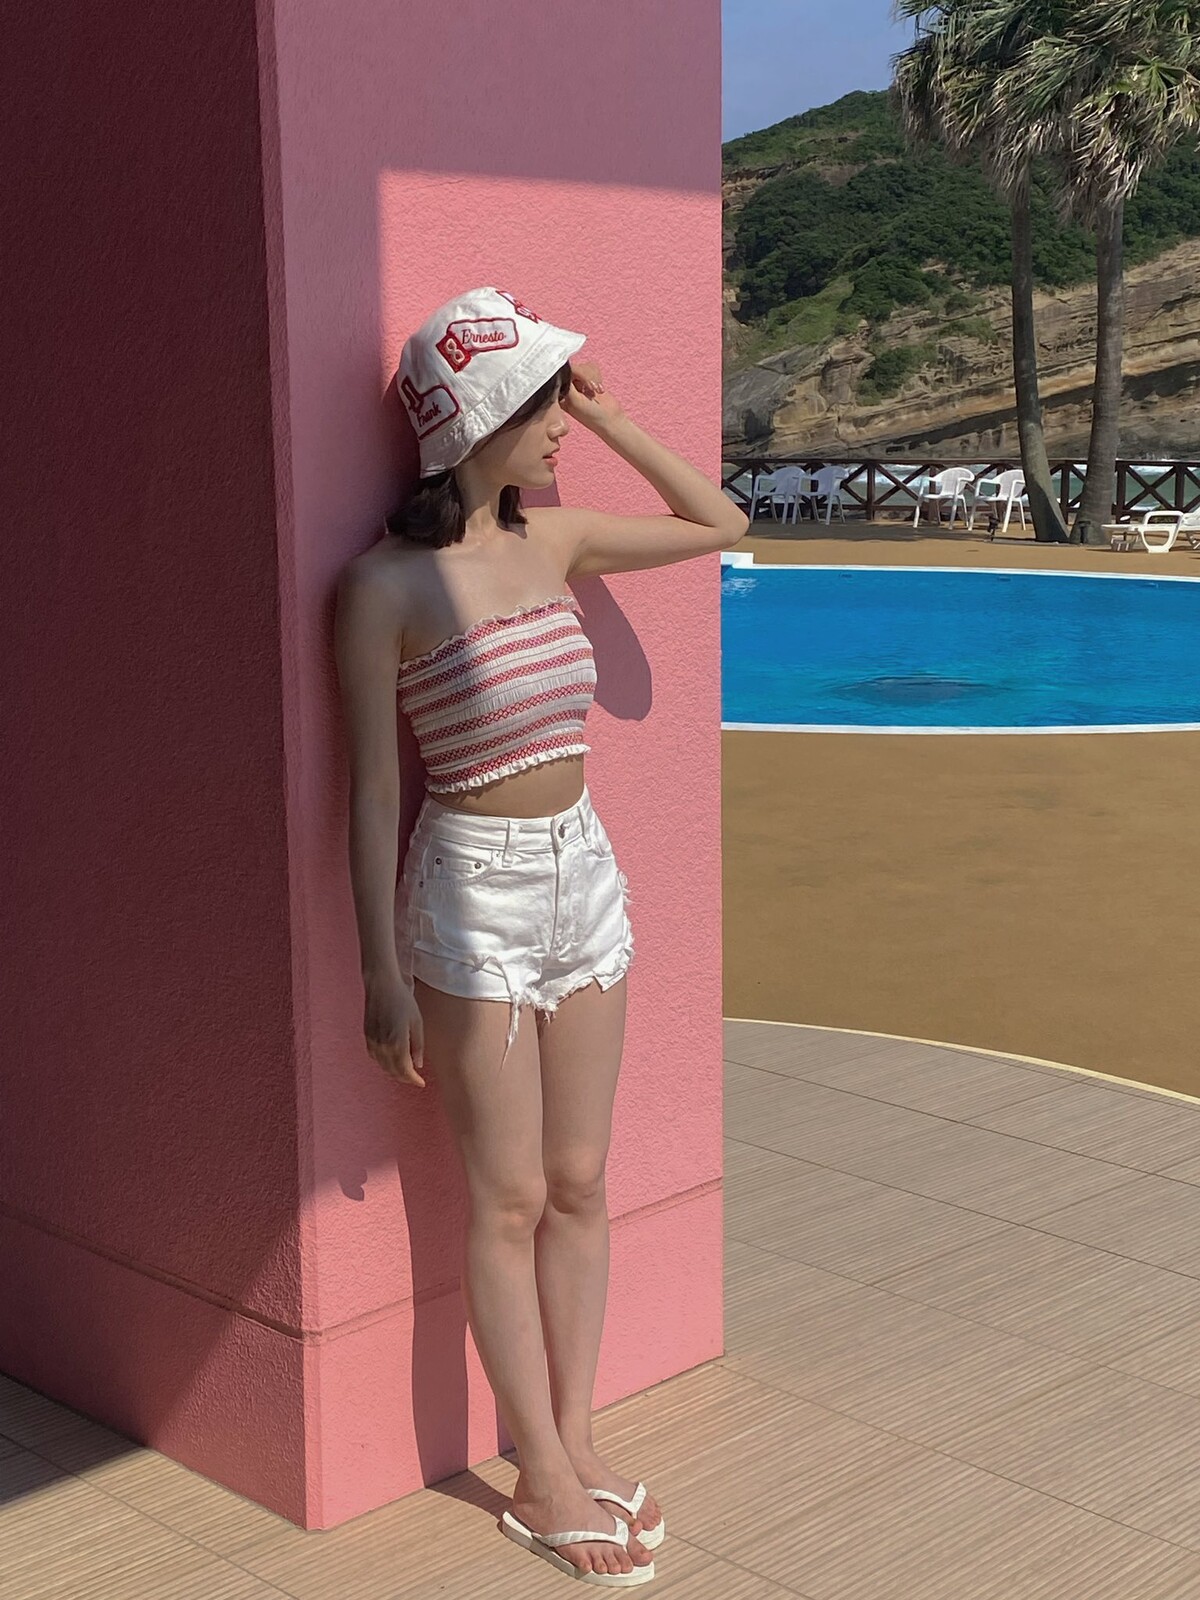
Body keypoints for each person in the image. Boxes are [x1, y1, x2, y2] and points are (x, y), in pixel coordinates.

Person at [334, 286, 748, 1587]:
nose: (563, 423)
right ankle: (540, 1475)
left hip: (585, 872)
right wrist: (380, 971)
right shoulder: (383, 587)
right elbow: (372, 789)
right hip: (471, 890)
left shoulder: (556, 538)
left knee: (579, 1178)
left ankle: (574, 1436)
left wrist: (614, 421)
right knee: (507, 1195)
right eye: (547, 401)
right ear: (478, 421)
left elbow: (721, 523)